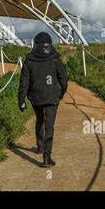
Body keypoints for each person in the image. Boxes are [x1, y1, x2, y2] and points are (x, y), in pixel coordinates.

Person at [17, 32, 68, 168]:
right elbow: (63, 78)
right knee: (49, 125)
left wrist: (21, 100)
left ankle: (40, 146)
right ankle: (47, 157)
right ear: (49, 43)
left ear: (35, 44)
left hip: (35, 97)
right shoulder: (55, 58)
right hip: (52, 97)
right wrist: (60, 94)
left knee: (40, 120)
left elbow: (24, 83)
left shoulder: (29, 60)